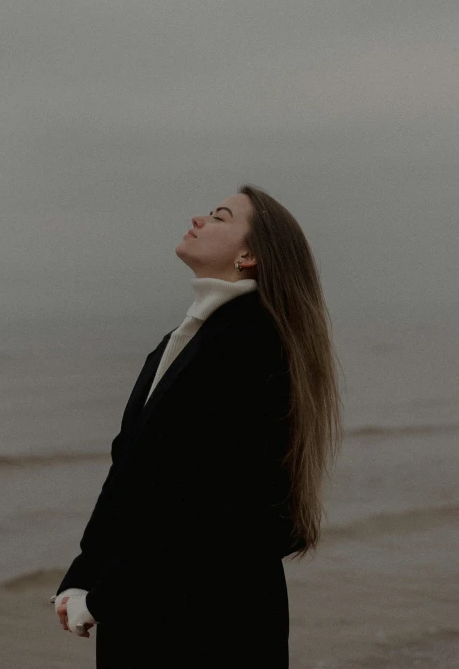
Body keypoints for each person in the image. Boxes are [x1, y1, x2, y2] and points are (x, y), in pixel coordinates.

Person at [51, 183, 343, 667]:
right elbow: (129, 471)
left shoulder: (251, 344)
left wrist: (103, 597)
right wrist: (83, 574)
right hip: (161, 601)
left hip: (207, 617)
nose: (199, 219)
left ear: (249, 253)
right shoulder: (186, 339)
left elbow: (194, 500)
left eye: (220, 216)